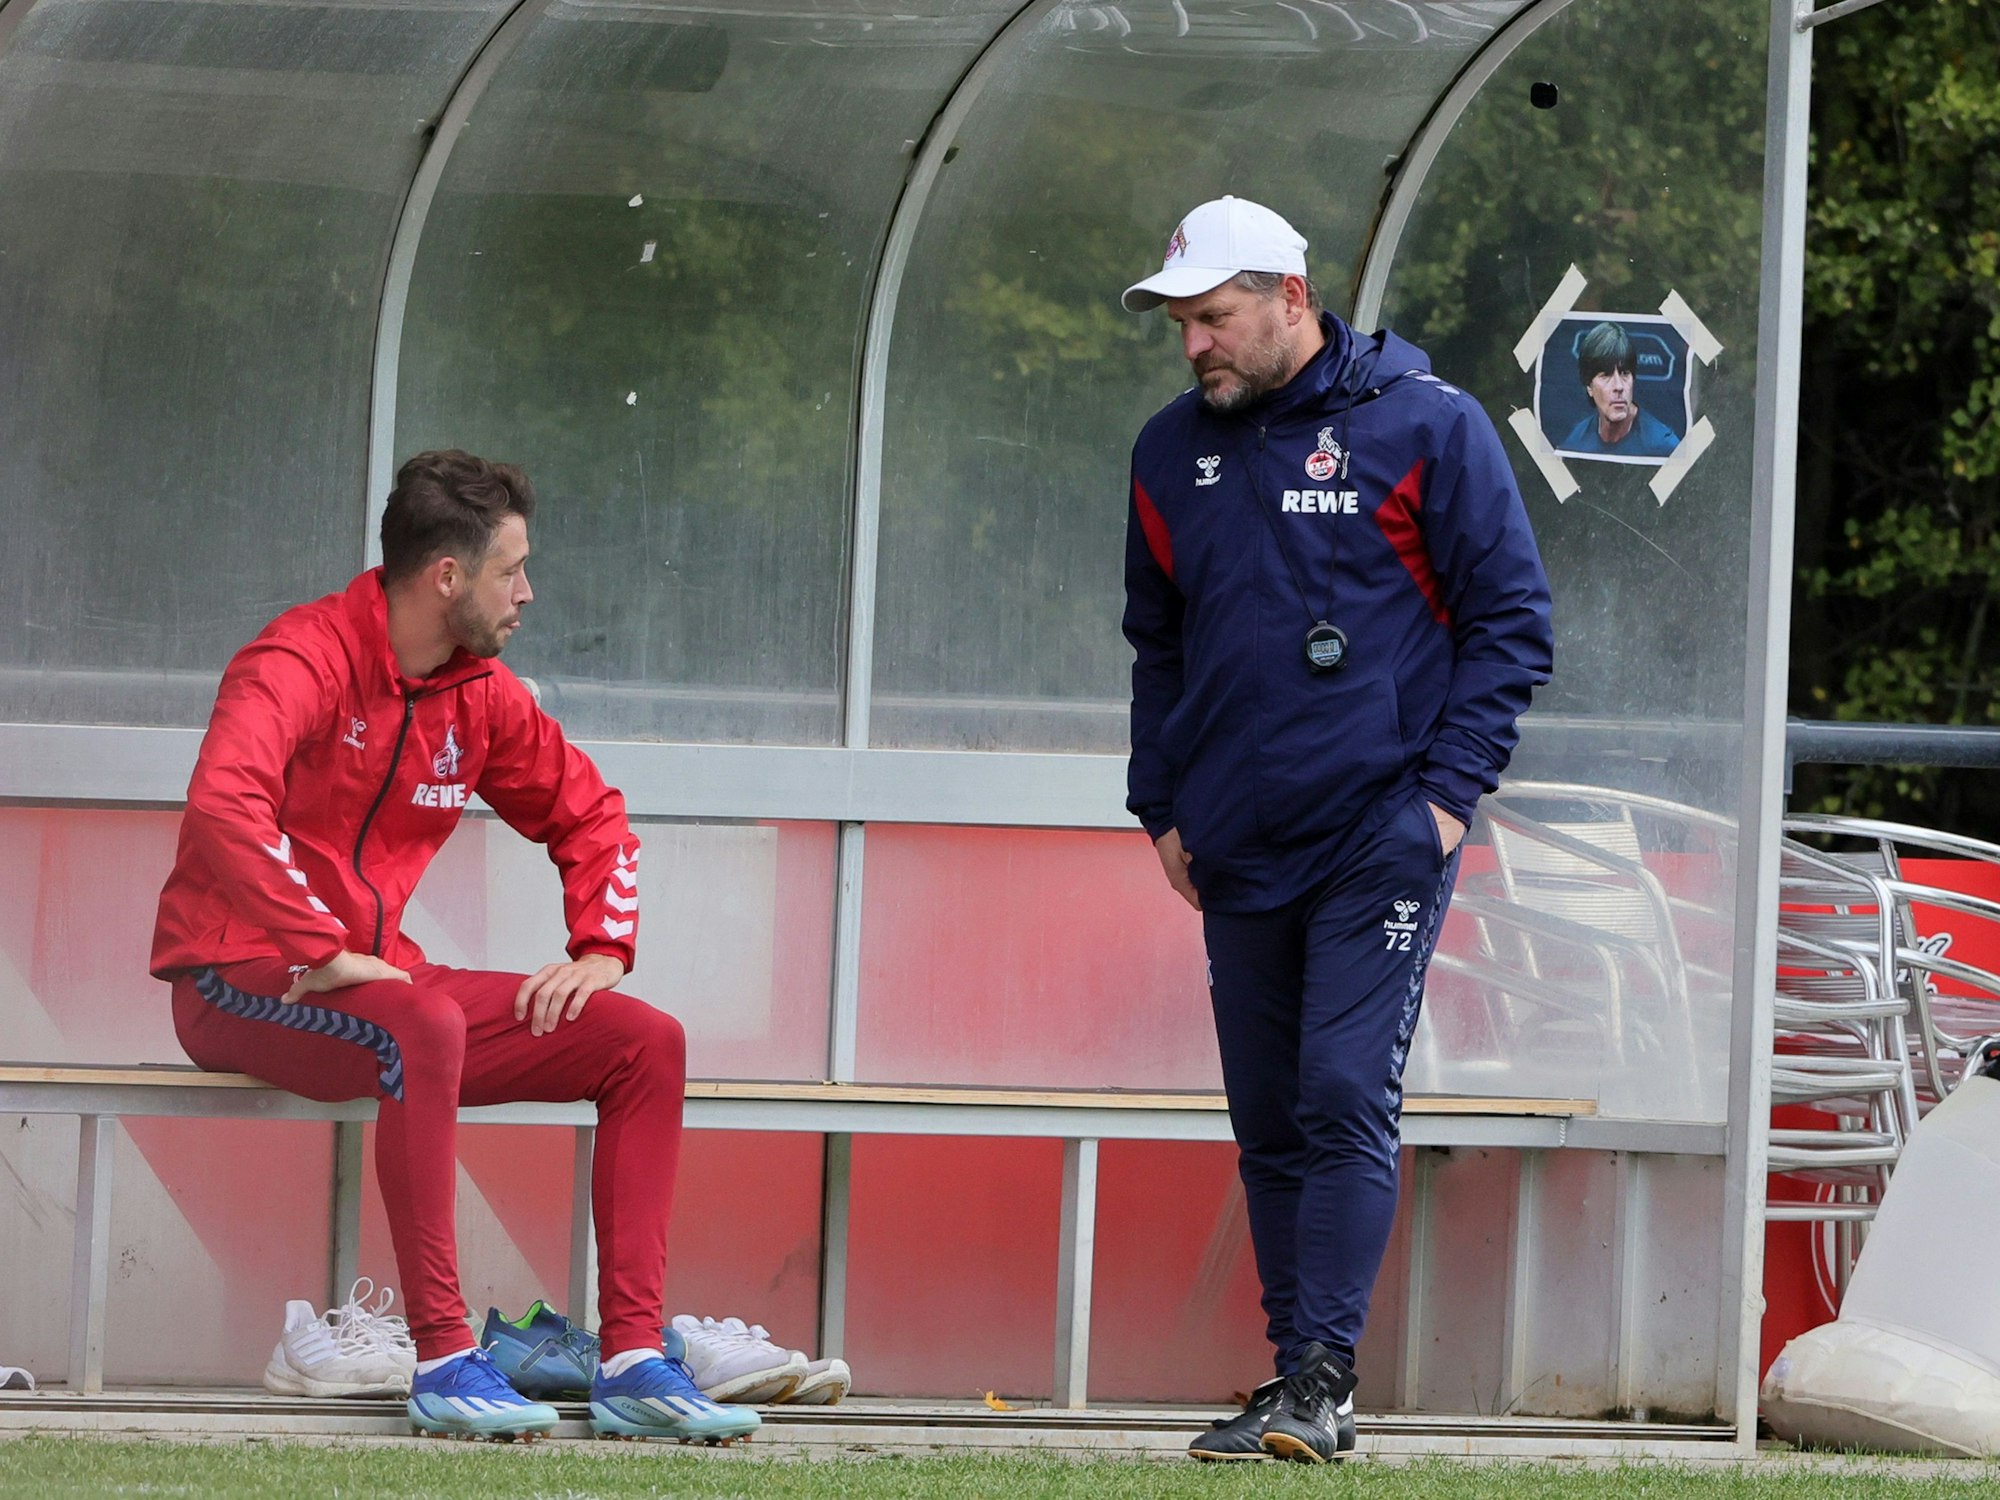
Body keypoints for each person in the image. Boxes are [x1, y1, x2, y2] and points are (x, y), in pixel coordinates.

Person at [150, 450, 756, 1444]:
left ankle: (635, 1359)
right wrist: (320, 944)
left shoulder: (477, 691)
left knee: (642, 1041)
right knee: (422, 1017)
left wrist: (601, 946)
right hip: (235, 975)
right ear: (446, 577)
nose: (528, 591)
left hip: (379, 984)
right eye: (510, 569)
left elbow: (591, 816)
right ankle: (442, 1358)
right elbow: (227, 798)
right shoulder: (300, 657)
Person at [1119, 197, 1554, 1463]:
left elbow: (1510, 623)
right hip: (1234, 837)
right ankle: (1290, 1379)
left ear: (1291, 299)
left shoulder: (1427, 425)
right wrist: (1160, 807)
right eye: (1179, 323)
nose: (1193, 345)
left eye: (1213, 317)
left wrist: (1441, 797)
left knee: (1336, 1090)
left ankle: (1324, 1376)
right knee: (1266, 1114)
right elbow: (1156, 644)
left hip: (1382, 828)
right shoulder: (1165, 454)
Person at [1559, 320, 1681, 457]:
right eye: (1606, 375)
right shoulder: (1576, 442)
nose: (1618, 386)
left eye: (1624, 374)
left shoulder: (1663, 446)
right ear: (1589, 387)